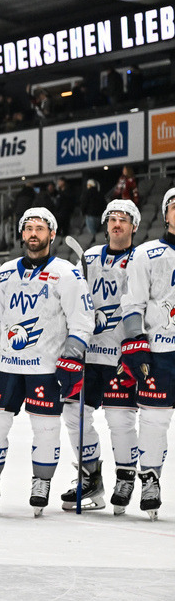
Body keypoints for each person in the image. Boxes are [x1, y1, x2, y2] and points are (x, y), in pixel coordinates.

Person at [0, 207, 93, 516]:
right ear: (22, 234)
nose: (33, 233)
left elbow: (82, 321)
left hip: (46, 367)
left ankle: (42, 481)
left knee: (46, 429)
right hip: (7, 364)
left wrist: (72, 356)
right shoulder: (5, 271)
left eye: (40, 228)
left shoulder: (66, 272)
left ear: (52, 233)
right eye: (28, 228)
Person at [62, 199, 140, 513]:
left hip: (123, 355)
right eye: (112, 219)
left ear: (134, 226)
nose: (117, 224)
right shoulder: (90, 257)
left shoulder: (142, 259)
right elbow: (74, 297)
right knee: (73, 413)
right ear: (106, 224)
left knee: (120, 419)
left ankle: (126, 477)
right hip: (89, 354)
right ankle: (90, 475)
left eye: (124, 219)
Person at [117, 188, 175, 520]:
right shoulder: (148, 254)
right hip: (160, 351)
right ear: (165, 215)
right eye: (174, 208)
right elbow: (133, 303)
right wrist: (136, 343)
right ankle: (150, 478)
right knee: (154, 419)